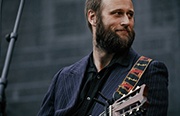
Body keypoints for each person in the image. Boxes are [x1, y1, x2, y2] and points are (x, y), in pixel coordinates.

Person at [37, 0, 168, 115]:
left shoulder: (149, 72)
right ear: (93, 17)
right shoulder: (63, 78)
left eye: (130, 15)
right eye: (117, 13)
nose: (126, 21)